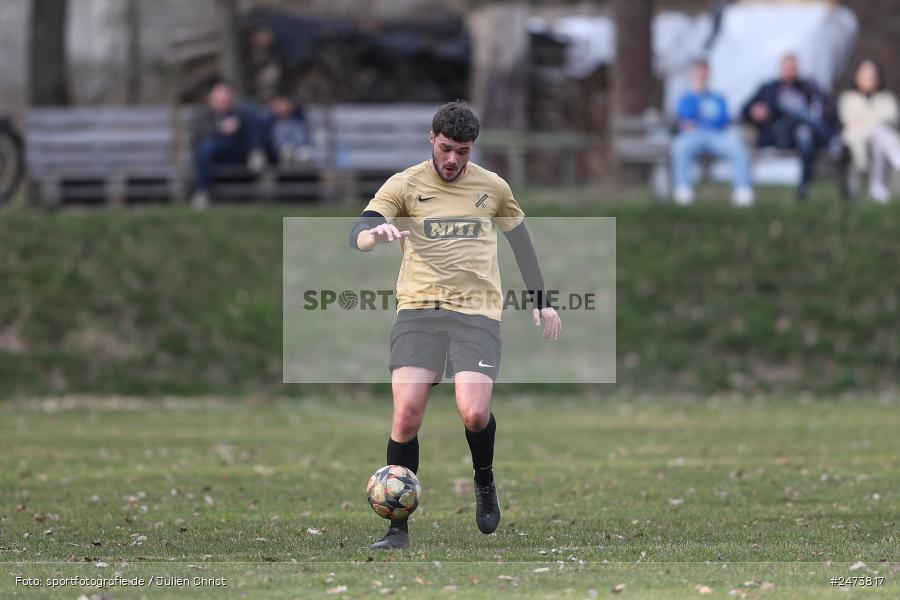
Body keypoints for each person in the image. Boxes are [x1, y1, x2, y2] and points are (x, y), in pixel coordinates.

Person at [348, 100, 562, 550]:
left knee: (474, 412)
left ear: (471, 149)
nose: (452, 160)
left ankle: (484, 479)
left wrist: (542, 301)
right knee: (405, 415)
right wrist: (375, 236)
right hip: (419, 310)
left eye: (462, 151)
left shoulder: (493, 187)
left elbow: (520, 241)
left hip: (477, 313)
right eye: (446, 148)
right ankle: (397, 529)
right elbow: (361, 230)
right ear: (432, 139)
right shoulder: (404, 184)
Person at [742, 53, 839, 199]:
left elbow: (828, 107)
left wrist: (822, 110)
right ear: (780, 69)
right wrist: (754, 111)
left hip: (801, 135)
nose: (790, 71)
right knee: (800, 112)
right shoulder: (768, 88)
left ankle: (804, 187)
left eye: (793, 68)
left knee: (804, 133)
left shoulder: (808, 86)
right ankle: (832, 139)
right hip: (779, 133)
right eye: (786, 68)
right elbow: (744, 110)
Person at [670, 59, 754, 206]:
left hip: (717, 135)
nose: (701, 75)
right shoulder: (686, 97)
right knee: (680, 146)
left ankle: (742, 190)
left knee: (737, 146)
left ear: (708, 73)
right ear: (693, 74)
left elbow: (721, 120)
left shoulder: (718, 98)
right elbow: (685, 119)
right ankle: (683, 189)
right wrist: (696, 96)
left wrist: (698, 121)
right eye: (698, 72)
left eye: (704, 72)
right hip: (693, 136)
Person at [191, 82, 266, 209]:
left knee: (250, 109)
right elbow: (198, 134)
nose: (223, 104)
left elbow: (253, 131)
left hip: (238, 153)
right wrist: (220, 128)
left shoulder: (240, 113)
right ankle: (202, 193)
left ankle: (256, 153)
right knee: (206, 147)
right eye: (220, 101)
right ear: (212, 100)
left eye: (226, 101)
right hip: (214, 156)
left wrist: (237, 128)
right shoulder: (204, 115)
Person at [838, 59, 900, 202]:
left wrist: (870, 123)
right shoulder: (847, 98)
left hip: (881, 141)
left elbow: (891, 118)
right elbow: (849, 121)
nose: (868, 80)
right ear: (857, 77)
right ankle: (896, 161)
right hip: (855, 140)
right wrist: (873, 123)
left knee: (878, 136)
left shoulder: (887, 98)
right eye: (865, 76)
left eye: (872, 76)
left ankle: (876, 187)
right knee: (878, 131)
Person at [262, 93, 314, 166]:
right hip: (276, 160)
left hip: (298, 157)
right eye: (277, 105)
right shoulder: (268, 124)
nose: (281, 107)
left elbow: (303, 140)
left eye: (284, 104)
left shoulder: (297, 123)